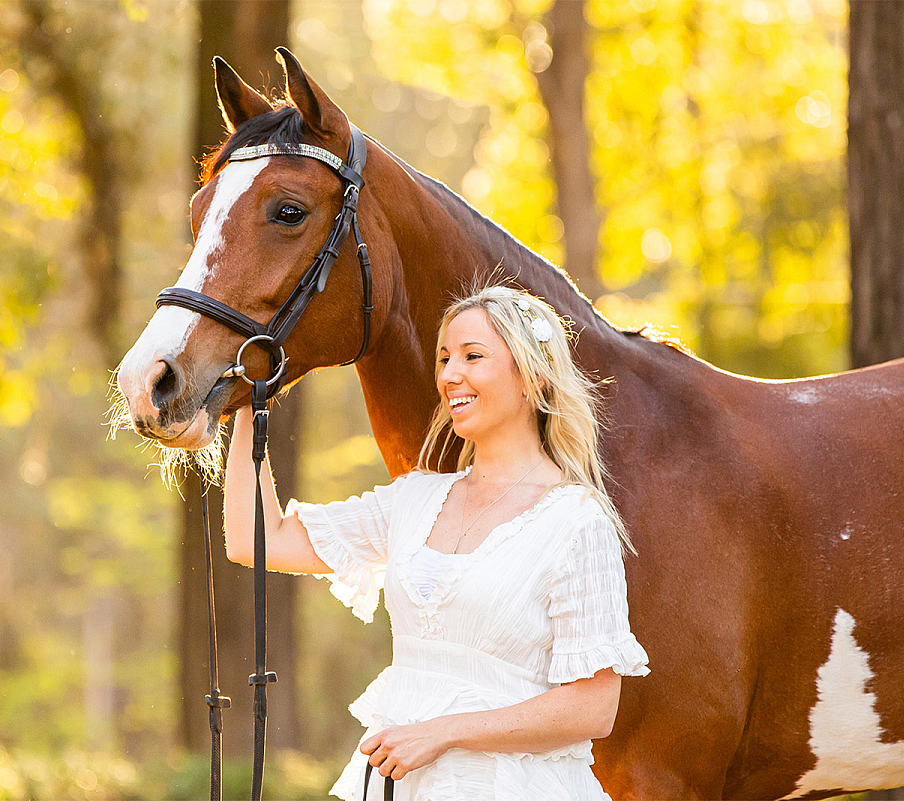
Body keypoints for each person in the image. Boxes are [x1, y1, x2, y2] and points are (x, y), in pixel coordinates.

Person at [224, 284, 649, 801]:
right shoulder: (415, 499)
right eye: (444, 357)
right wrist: (249, 402)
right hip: (402, 787)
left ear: (532, 378)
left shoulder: (576, 521)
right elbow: (255, 540)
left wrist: (442, 732)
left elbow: (593, 707)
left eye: (473, 356)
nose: (449, 374)